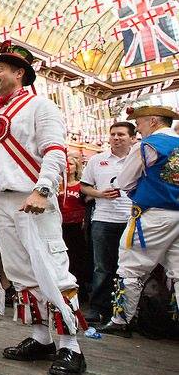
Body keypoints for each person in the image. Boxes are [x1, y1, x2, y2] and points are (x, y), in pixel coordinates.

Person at [0, 41, 86, 375]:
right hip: (3, 201)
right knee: (20, 273)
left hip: (34, 199)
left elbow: (55, 152)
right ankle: (41, 338)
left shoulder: (42, 107)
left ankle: (70, 346)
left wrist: (43, 189)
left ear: (20, 73)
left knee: (53, 269)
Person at [98, 105, 179, 337]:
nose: (138, 128)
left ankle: (122, 319)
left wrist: (141, 192)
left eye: (140, 123)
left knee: (131, 267)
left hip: (153, 214)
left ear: (153, 121)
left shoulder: (147, 146)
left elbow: (124, 181)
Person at [80, 122, 135, 324]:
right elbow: (84, 186)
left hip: (131, 220)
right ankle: (97, 308)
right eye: (113, 134)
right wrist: (99, 194)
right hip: (103, 219)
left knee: (128, 267)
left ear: (132, 138)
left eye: (121, 134)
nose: (116, 138)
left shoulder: (138, 160)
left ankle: (124, 310)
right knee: (101, 266)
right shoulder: (97, 160)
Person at [57, 153, 89, 295]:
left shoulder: (80, 186)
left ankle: (79, 289)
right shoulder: (57, 184)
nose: (68, 167)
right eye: (65, 164)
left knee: (77, 258)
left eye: (70, 164)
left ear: (76, 168)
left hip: (77, 226)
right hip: (59, 225)